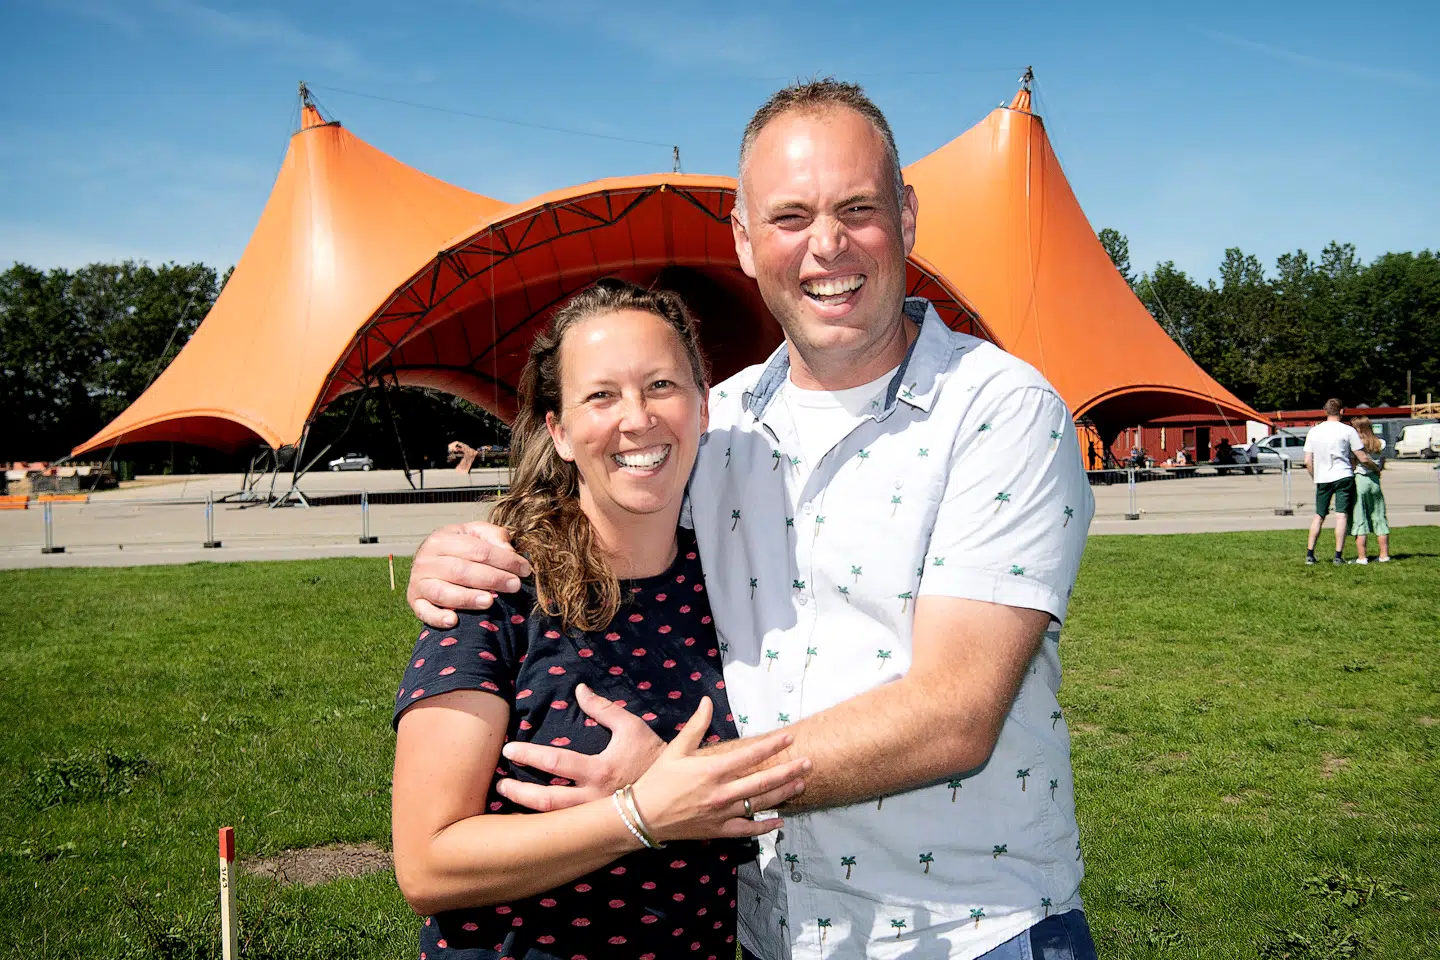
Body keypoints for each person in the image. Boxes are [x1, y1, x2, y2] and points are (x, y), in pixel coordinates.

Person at [407, 80, 1097, 960]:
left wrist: (680, 788)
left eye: (858, 208)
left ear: (909, 216)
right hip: (771, 933)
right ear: (742, 239)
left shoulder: (998, 408)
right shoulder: (714, 423)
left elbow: (954, 714)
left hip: (965, 930)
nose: (827, 246)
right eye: (791, 217)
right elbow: (599, 497)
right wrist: (461, 553)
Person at [391, 281, 811, 960]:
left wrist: (687, 793)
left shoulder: (737, 585)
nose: (637, 418)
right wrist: (639, 816)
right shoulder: (495, 589)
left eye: (661, 385)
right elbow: (427, 862)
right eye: (602, 395)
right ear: (557, 430)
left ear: (703, 409)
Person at [1303, 399, 1379, 565]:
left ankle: (1310, 553)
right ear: (1342, 411)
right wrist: (1376, 468)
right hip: (1343, 475)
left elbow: (1308, 461)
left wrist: (1315, 476)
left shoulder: (1314, 431)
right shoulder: (1348, 431)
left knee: (1319, 515)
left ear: (1325, 411)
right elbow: (1361, 457)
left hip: (1322, 477)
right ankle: (1338, 555)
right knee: (1341, 516)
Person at [1348, 415, 1391, 564]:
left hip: (1360, 480)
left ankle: (1362, 557)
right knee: (1379, 517)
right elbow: (1383, 462)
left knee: (1360, 518)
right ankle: (1384, 555)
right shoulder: (1380, 443)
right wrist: (1377, 470)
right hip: (1375, 481)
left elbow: (1354, 464)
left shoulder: (1355, 444)